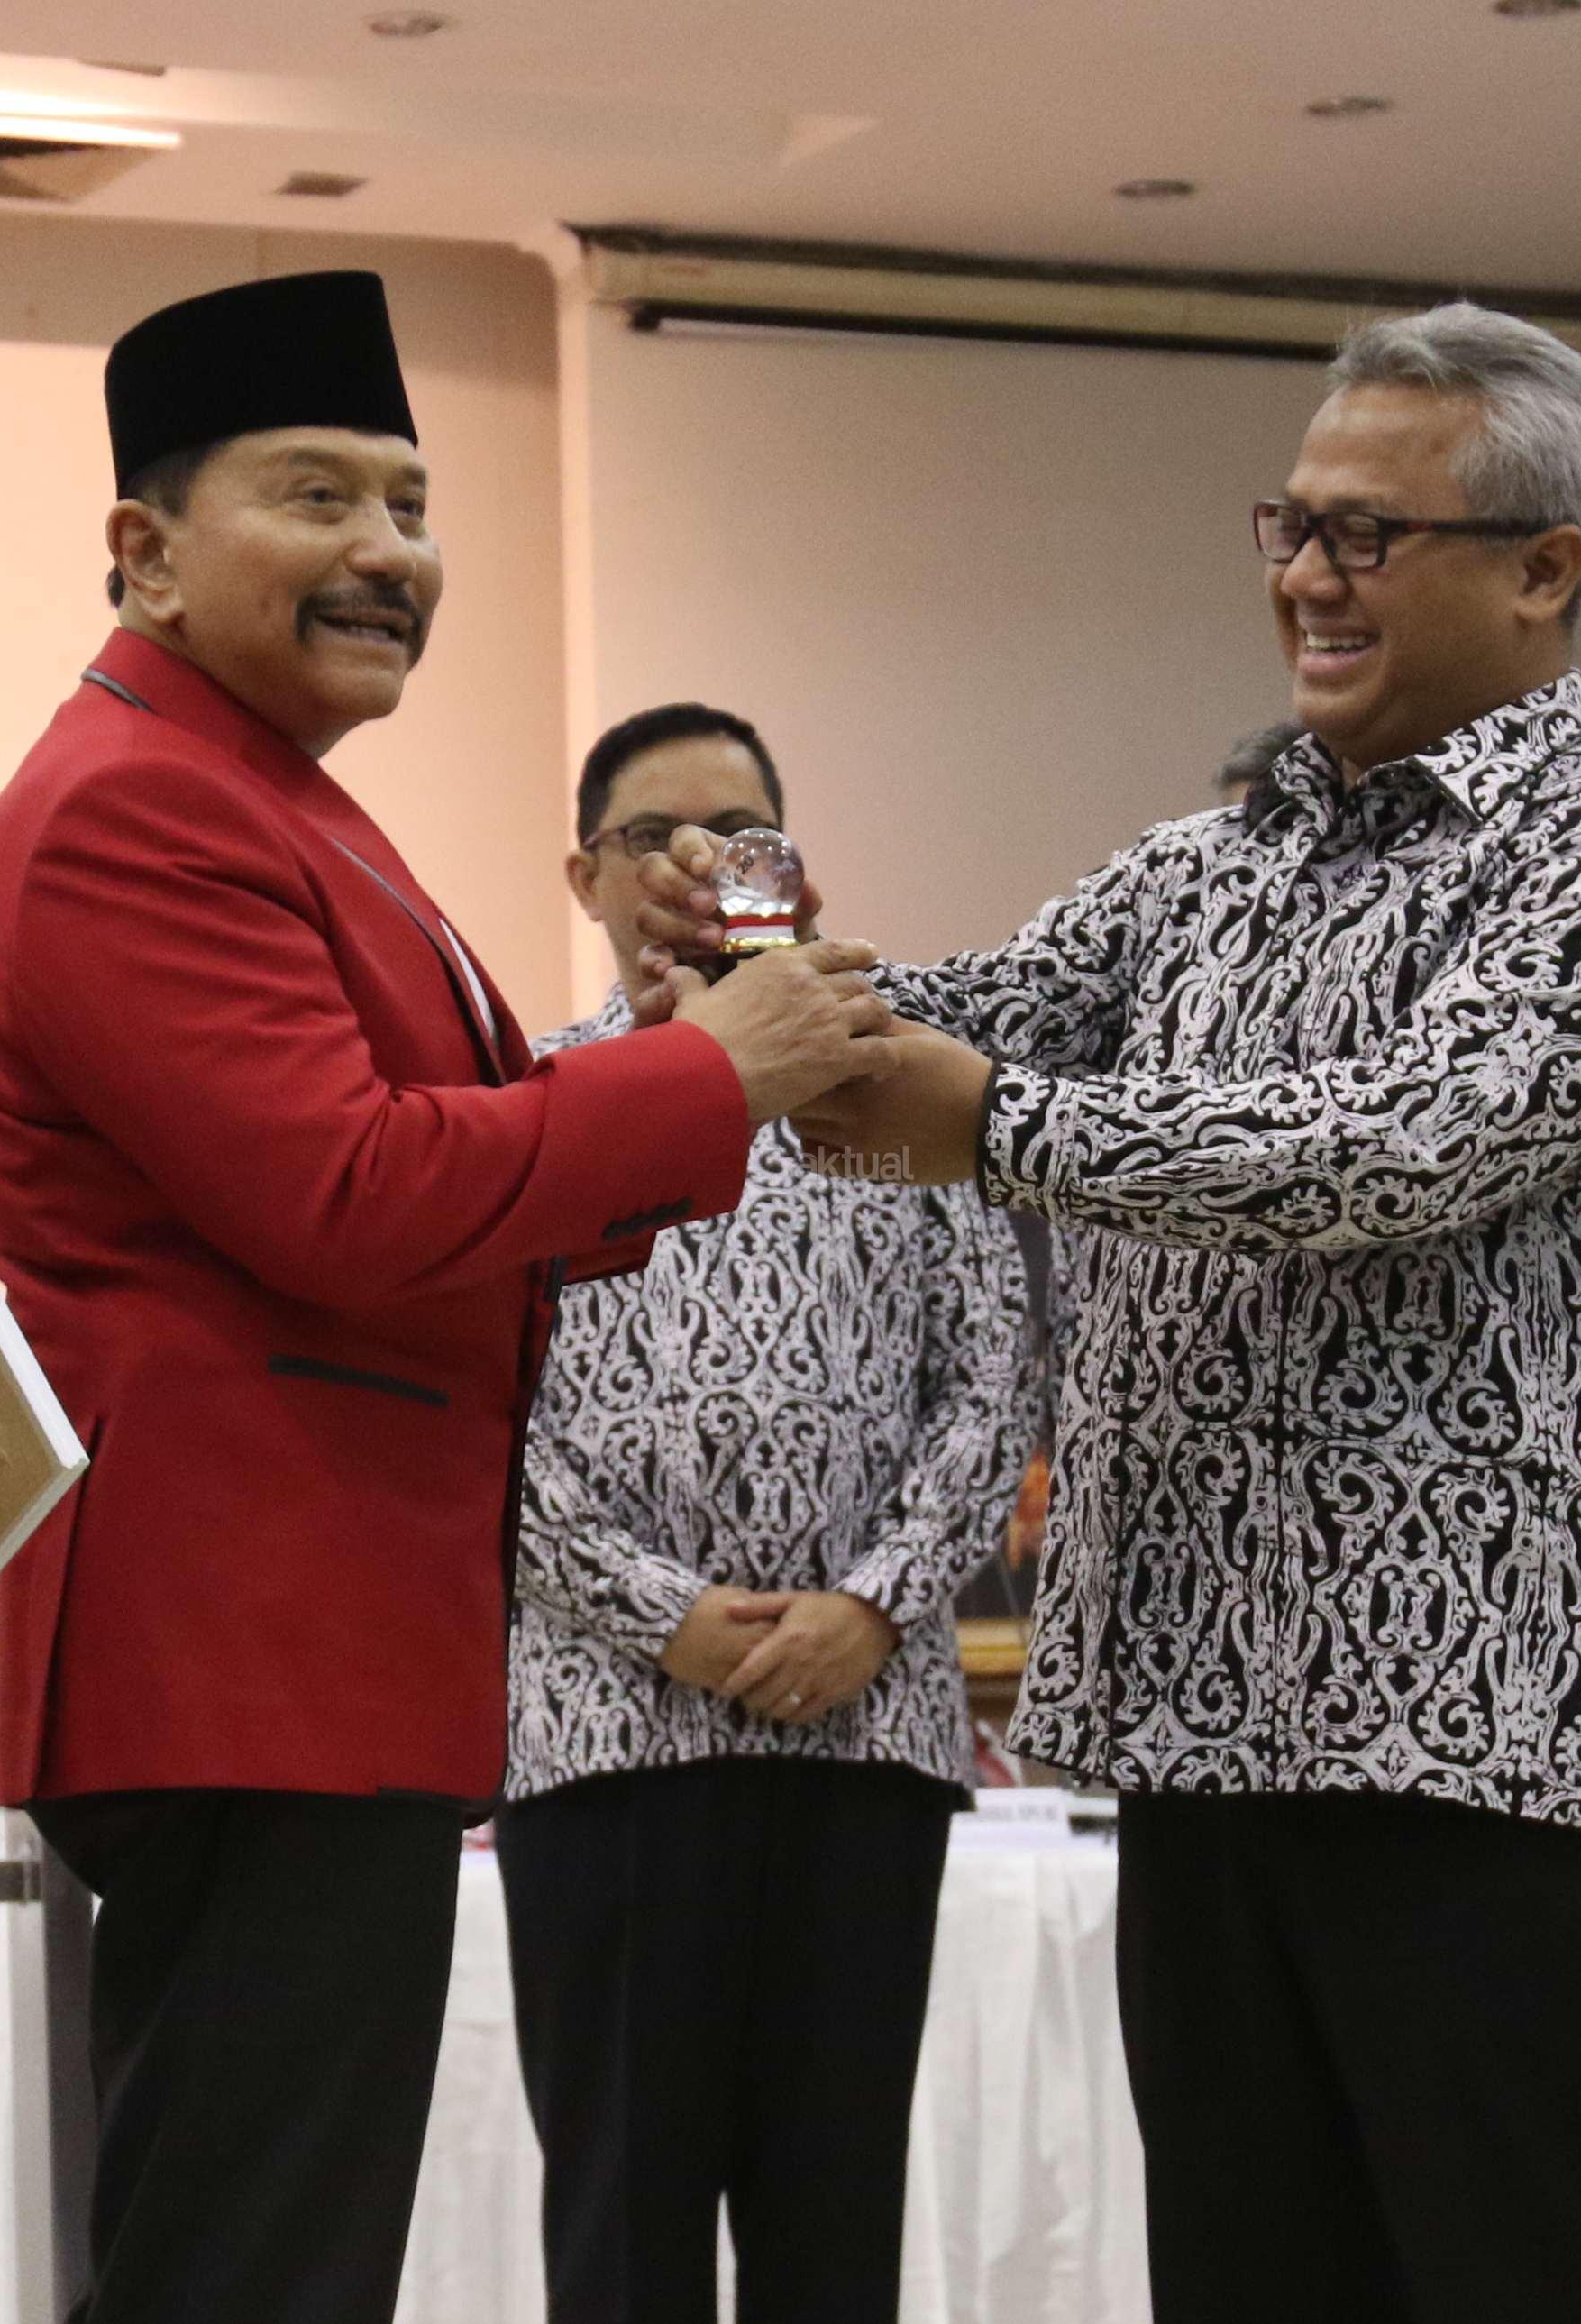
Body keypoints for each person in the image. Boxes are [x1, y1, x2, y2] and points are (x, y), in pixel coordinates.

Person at [643, 301, 1581, 2322]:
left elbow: (1389, 1148)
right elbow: (971, 1016)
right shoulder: (1212, 862)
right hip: (1209, 1702)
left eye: (1368, 533)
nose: (1308, 575)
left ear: (1543, 569)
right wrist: (761, 991)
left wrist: (989, 1118)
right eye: (1293, 523)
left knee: (1544, 2280)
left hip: (1493, 1729)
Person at [0, 274, 901, 2324]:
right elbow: (350, 1193)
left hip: (315, 1639)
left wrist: (683, 1046)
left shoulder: (262, 787)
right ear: (146, 549)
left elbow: (421, 1171)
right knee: (250, 2264)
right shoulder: (136, 804)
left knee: (272, 2250)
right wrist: (706, 1075)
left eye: (412, 503)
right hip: (244, 1635)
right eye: (320, 496)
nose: (390, 551)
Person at [495, 700, 1040, 2324]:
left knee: (833, 2231)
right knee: (624, 2233)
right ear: (585, 876)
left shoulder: (896, 1089)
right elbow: (481, 1413)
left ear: (790, 874)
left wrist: (873, 1602)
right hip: (607, 1738)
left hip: (862, 1738)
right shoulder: (527, 1099)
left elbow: (995, 1376)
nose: (695, 865)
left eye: (737, 835)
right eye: (650, 836)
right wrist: (656, 1611)